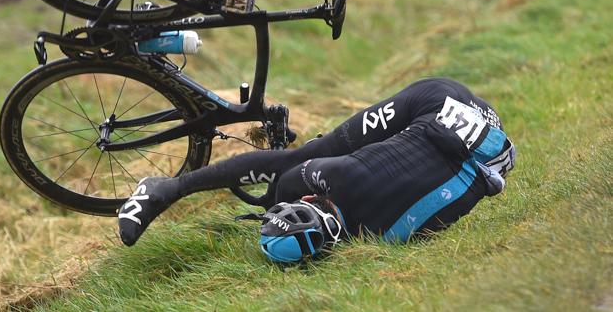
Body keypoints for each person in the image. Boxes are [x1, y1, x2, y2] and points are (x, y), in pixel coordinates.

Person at [118, 77, 516, 262]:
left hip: (493, 136)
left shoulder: (387, 241)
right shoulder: (336, 179)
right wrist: (270, 203)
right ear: (308, 199)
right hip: (436, 101)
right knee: (308, 156)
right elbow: (285, 174)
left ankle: (165, 189)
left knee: (366, 160)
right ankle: (167, 189)